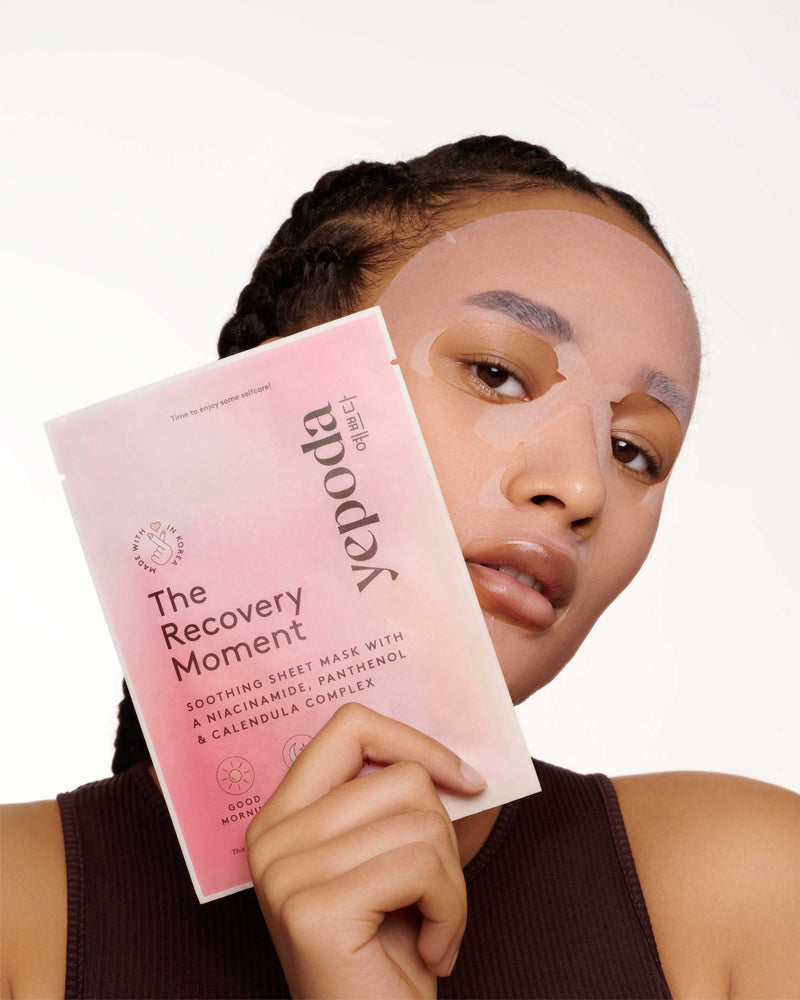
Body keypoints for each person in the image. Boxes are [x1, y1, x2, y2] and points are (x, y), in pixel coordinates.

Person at [1, 136, 797, 1000]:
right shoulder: (18, 915)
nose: (581, 486)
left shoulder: (748, 894)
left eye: (634, 450)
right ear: (278, 384)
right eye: (496, 374)